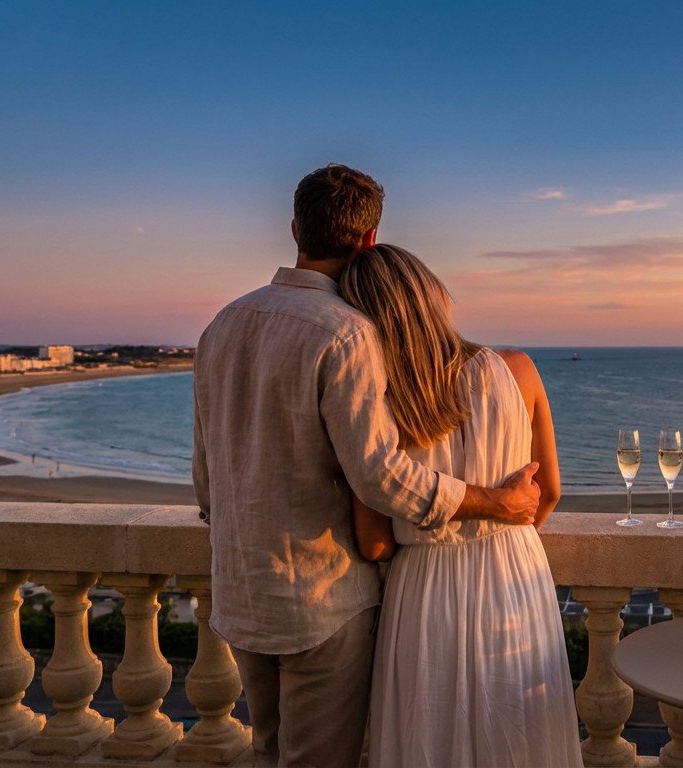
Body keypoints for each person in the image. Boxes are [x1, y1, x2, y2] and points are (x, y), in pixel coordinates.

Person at [192, 164, 541, 768]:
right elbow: (379, 474)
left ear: (295, 227)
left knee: (268, 751)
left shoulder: (223, 324)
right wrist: (494, 502)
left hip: (242, 590)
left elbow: (205, 469)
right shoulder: (347, 333)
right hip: (322, 597)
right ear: (369, 240)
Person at [340, 244, 582, 768]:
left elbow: (374, 542)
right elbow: (552, 490)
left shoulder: (379, 402)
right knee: (518, 728)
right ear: (435, 297)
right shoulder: (518, 368)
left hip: (424, 587)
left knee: (430, 736)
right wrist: (507, 531)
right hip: (514, 573)